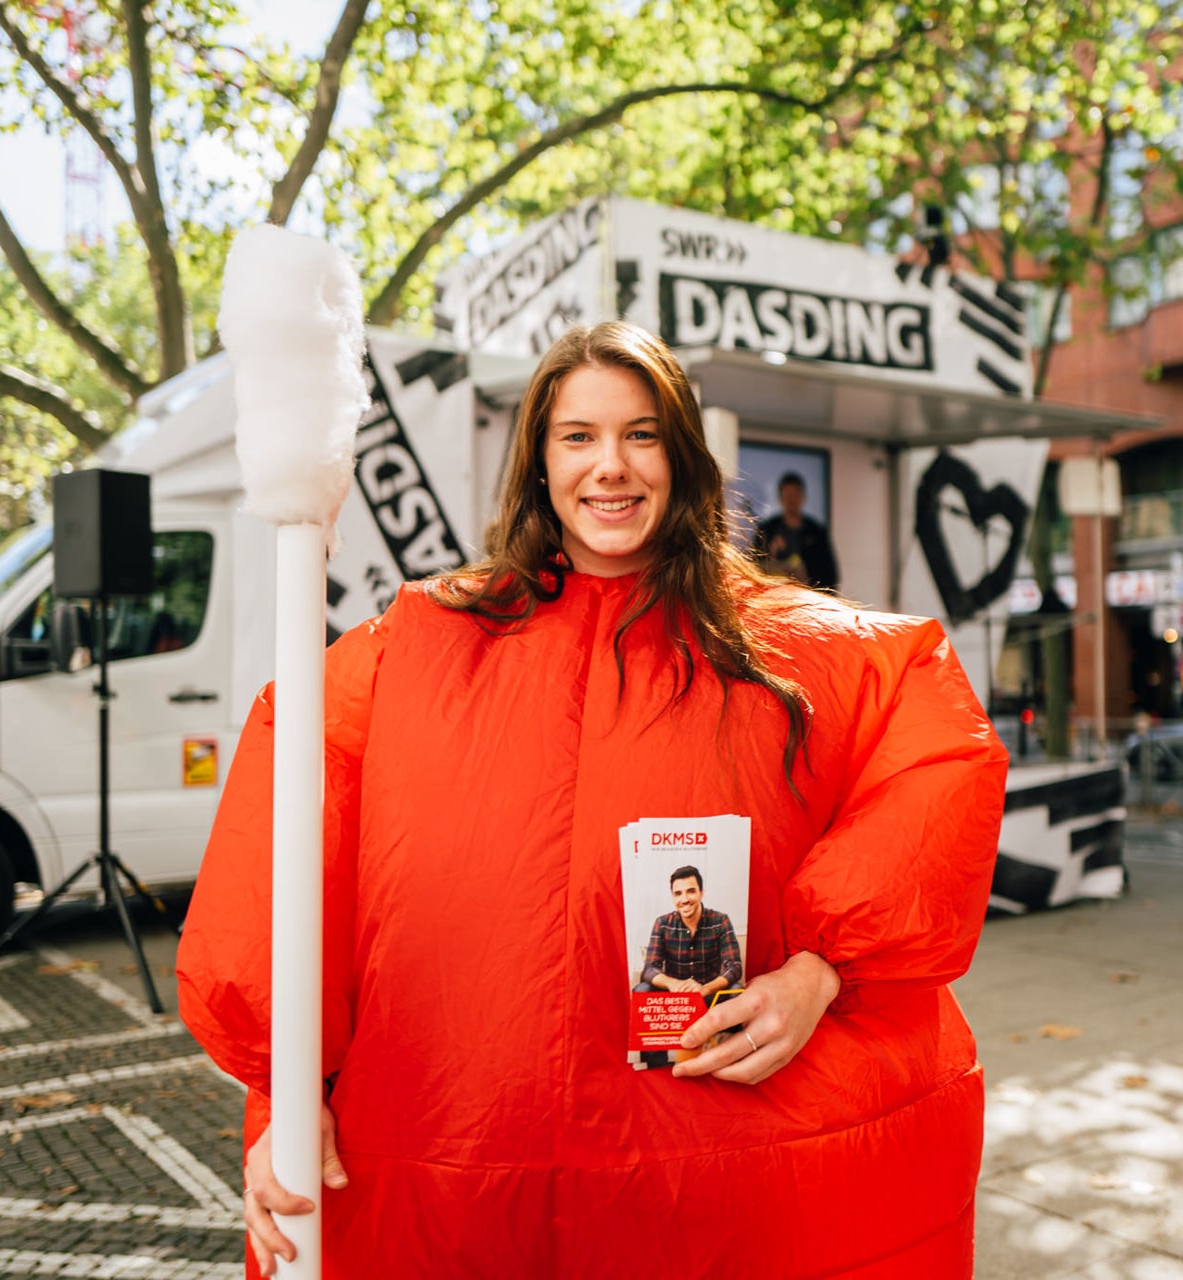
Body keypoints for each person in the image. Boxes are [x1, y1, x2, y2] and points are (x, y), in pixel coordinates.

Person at [176, 320, 1006, 1278]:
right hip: (465, 1170)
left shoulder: (797, 652)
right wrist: (288, 1088)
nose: (610, 466)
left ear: (682, 455)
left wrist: (825, 970)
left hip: (712, 1183)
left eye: (641, 434)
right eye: (578, 437)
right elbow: (289, 836)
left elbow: (936, 753)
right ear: (537, 463)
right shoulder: (416, 650)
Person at [637, 865, 742, 999]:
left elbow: (734, 966)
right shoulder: (662, 924)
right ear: (673, 897)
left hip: (710, 995)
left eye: (691, 891)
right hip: (675, 997)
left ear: (701, 893)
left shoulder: (720, 921)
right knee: (642, 989)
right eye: (678, 894)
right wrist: (673, 984)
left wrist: (705, 989)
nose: (685, 899)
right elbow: (649, 969)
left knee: (737, 990)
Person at [755, 471, 840, 592]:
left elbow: (830, 573)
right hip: (775, 595)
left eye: (795, 494)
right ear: (780, 497)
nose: (791, 500)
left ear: (802, 496)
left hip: (811, 596)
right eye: (788, 495)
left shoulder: (816, 531)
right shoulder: (768, 529)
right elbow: (755, 565)